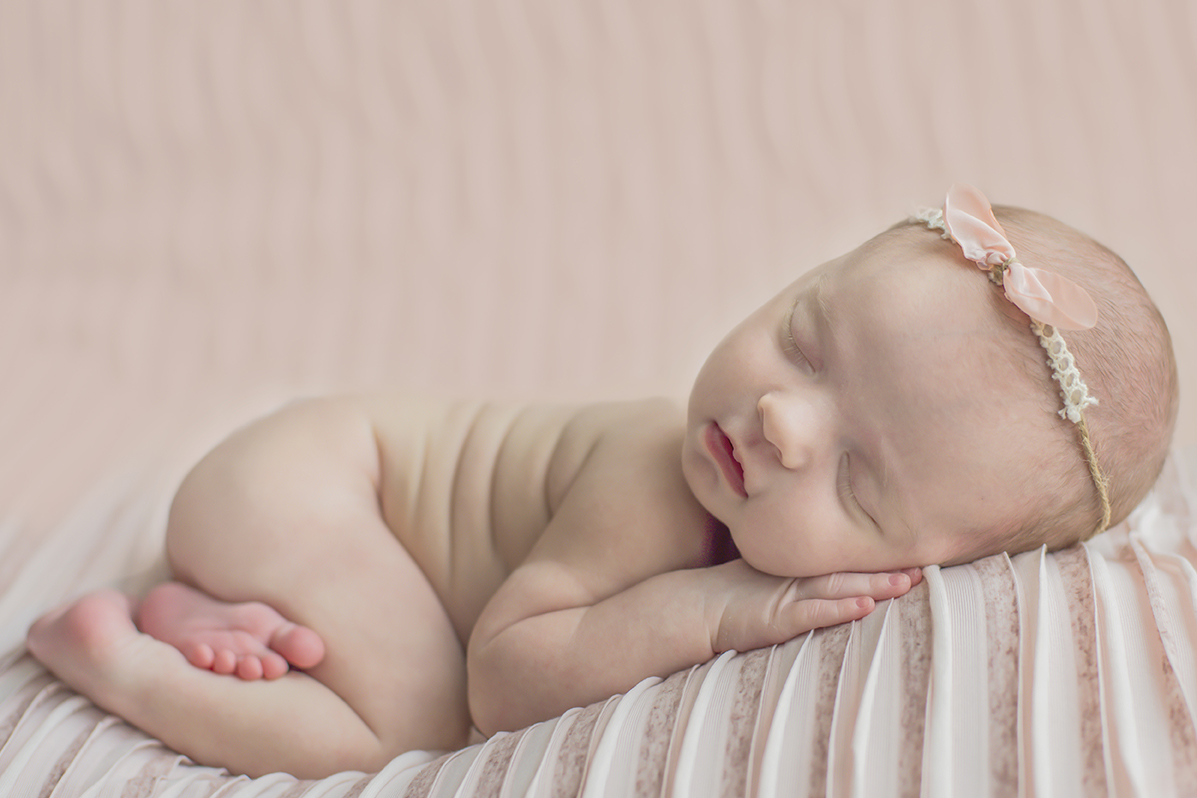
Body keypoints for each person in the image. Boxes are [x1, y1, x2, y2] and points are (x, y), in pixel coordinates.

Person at [26, 185, 1178, 779]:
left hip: (300, 519)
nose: (779, 418)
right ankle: (116, 655)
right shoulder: (653, 481)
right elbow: (506, 675)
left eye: (860, 477)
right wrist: (722, 610)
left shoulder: (769, 493)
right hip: (313, 485)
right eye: (806, 339)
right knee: (405, 727)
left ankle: (201, 608)